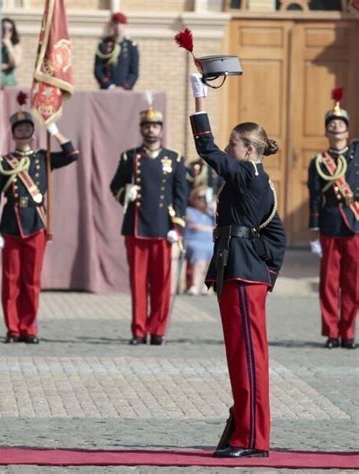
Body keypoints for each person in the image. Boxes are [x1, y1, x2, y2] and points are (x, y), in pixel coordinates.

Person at [189, 73, 286, 458]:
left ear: (249, 150)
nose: (228, 149)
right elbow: (277, 234)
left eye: (234, 143)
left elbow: (207, 151)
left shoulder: (248, 174)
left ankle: (251, 439)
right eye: (231, 142)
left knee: (247, 357)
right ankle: (246, 432)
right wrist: (270, 273)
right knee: (241, 356)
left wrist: (199, 100)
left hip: (245, 276)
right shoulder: (253, 180)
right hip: (242, 272)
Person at [0, 96, 79, 344]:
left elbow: (72, 154)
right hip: (10, 224)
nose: (23, 132)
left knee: (32, 280)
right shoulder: (4, 162)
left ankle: (29, 328)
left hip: (36, 224)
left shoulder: (43, 156)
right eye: (19, 129)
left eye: (27, 128)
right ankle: (13, 328)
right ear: (13, 134)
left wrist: (56, 131)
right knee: (10, 280)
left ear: (33, 132)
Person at [110, 100, 188, 345]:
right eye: (147, 126)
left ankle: (158, 331)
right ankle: (138, 330)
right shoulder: (130, 157)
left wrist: (177, 227)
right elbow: (115, 186)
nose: (151, 130)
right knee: (138, 284)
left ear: (161, 130)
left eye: (155, 126)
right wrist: (126, 192)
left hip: (164, 229)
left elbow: (181, 196)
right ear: (141, 129)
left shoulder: (174, 159)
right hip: (137, 228)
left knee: (162, 286)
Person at [307, 88, 358, 350]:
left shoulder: (358, 154)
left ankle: (348, 333)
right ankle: (331, 332)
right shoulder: (318, 161)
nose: (336, 126)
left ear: (347, 131)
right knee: (329, 283)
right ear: (327, 132)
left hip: (355, 225)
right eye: (331, 124)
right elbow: (314, 196)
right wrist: (314, 229)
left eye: (340, 124)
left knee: (353, 283)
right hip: (329, 224)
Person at [94, 12, 139, 90]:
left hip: (125, 91)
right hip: (107, 89)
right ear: (112, 26)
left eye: (121, 24)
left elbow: (134, 72)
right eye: (116, 24)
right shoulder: (103, 45)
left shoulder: (131, 46)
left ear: (125, 26)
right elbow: (98, 69)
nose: (118, 27)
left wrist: (125, 87)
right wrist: (109, 86)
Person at [185, 185, 215, 296]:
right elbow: (195, 226)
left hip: (209, 242)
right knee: (200, 250)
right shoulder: (189, 211)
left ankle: (206, 285)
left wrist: (213, 208)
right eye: (200, 197)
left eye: (205, 197)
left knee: (213, 251)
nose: (202, 200)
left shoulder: (211, 213)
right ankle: (195, 284)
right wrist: (208, 228)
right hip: (194, 240)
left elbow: (217, 226)